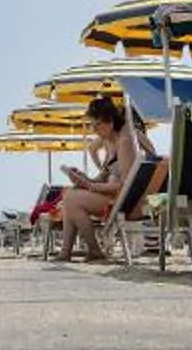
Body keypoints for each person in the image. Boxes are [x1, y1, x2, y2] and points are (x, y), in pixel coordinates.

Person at [54, 93, 151, 261]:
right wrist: (84, 179)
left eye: (97, 125)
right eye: (93, 125)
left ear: (111, 122)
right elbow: (104, 176)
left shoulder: (125, 142)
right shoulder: (111, 142)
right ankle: (66, 252)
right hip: (114, 197)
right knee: (69, 193)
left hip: (127, 202)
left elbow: (125, 185)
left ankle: (95, 250)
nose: (94, 130)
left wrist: (90, 186)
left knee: (71, 199)